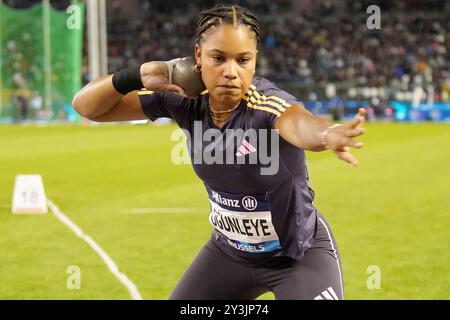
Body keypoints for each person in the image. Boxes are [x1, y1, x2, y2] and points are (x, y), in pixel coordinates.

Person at [72, 4, 366, 300]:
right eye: (218, 58)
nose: (231, 72)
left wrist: (328, 134)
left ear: (255, 62)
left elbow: (300, 124)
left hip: (298, 258)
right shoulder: (183, 100)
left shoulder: (266, 106)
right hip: (229, 255)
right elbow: (87, 107)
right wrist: (136, 75)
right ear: (198, 56)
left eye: (243, 60)